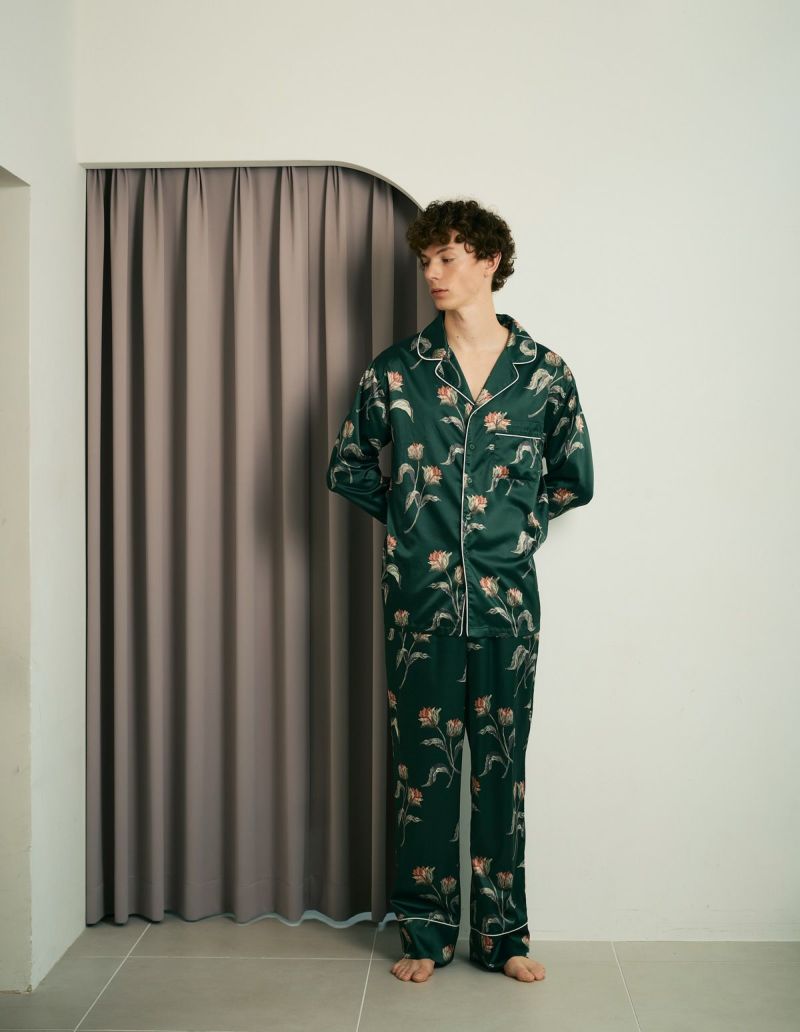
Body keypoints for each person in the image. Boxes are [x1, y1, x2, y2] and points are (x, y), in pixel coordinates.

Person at [326, 198, 594, 983]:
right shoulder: (397, 370)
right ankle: (426, 935)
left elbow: (574, 477)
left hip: (508, 607)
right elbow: (347, 465)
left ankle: (503, 938)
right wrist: (409, 524)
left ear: (488, 261)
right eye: (426, 261)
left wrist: (517, 528)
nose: (433, 274)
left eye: (447, 258)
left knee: (502, 773)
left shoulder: (542, 374)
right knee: (423, 775)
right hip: (419, 607)